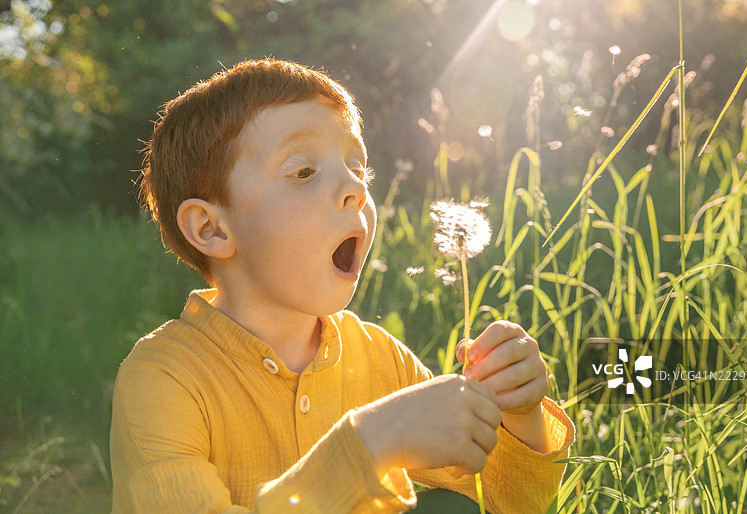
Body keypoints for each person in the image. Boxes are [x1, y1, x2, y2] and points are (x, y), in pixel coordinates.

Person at [110, 58, 575, 513]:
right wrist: (371, 440)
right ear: (211, 228)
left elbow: (504, 502)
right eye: (303, 171)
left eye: (358, 167)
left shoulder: (380, 358)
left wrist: (520, 417)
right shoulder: (163, 378)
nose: (356, 188)